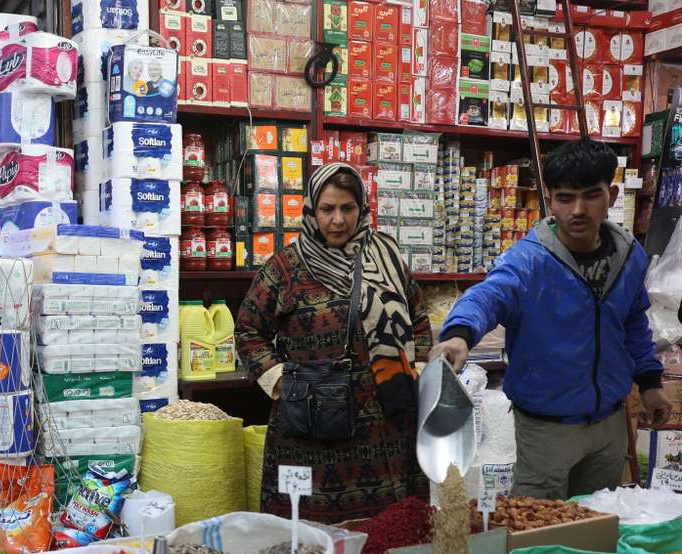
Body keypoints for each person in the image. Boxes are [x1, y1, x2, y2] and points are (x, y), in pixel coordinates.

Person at [433, 140, 668, 499]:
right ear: (550, 198)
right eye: (564, 197)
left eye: (591, 195)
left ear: (613, 194)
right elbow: (488, 295)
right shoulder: (530, 261)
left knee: (597, 530)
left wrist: (650, 384)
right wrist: (460, 334)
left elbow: (633, 322)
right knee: (538, 535)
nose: (577, 210)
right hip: (545, 432)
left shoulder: (629, 254)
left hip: (608, 426)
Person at [236, 162, 432, 523]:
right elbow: (249, 330)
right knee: (310, 534)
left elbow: (419, 322)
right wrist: (279, 380)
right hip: (312, 426)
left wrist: (415, 372)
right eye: (327, 209)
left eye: (348, 208)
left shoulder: (387, 259)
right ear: (311, 210)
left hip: (383, 428)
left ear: (362, 210)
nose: (338, 220)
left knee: (384, 530)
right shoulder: (286, 267)